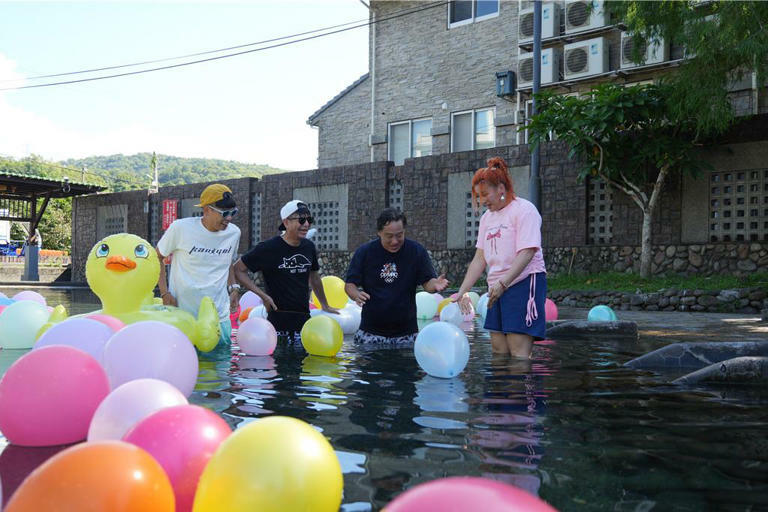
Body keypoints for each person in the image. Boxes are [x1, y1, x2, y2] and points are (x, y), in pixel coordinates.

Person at [455, 157, 547, 358]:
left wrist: (504, 283)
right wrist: (462, 291)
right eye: (478, 196)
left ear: (501, 189)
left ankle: (522, 389)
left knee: (518, 351)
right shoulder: (487, 218)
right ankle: (499, 390)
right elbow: (480, 258)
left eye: (485, 194)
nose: (482, 200)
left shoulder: (524, 210)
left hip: (523, 283)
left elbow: (528, 252)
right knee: (498, 350)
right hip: (496, 287)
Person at [234, 200, 338, 348]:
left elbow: (314, 277)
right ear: (286, 222)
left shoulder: (308, 247)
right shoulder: (269, 248)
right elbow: (238, 269)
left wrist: (325, 305)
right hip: (277, 325)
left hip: (303, 322)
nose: (307, 224)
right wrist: (263, 295)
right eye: (301, 220)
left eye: (309, 220)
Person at [156, 184, 241, 355]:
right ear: (206, 210)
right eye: (224, 213)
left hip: (219, 317)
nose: (229, 218)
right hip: (184, 315)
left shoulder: (234, 233)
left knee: (220, 370)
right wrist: (164, 293)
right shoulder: (181, 228)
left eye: (233, 213)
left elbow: (228, 263)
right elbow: (157, 257)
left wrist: (233, 288)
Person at [344, 208, 449, 345]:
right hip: (371, 334)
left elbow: (427, 282)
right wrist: (355, 294)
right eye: (389, 236)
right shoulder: (365, 253)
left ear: (404, 231)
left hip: (407, 335)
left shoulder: (416, 251)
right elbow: (349, 285)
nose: (394, 241)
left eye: (399, 235)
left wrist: (435, 284)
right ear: (379, 232)